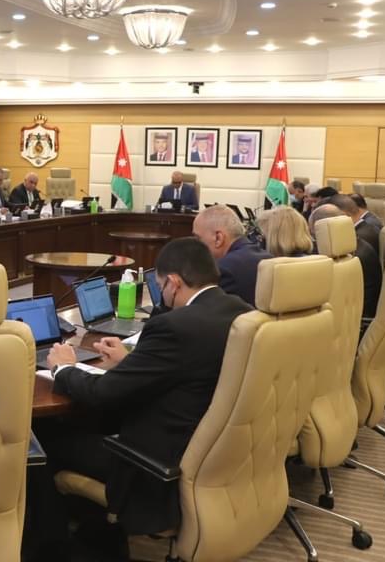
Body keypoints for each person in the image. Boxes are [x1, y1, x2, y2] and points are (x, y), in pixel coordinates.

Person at [28, 238, 252, 559]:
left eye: (160, 286)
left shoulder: (175, 326)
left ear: (173, 282)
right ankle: (92, 529)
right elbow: (186, 369)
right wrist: (131, 362)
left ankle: (56, 547)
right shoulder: (240, 311)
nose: (162, 294)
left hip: (150, 465)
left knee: (44, 435)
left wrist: (63, 367)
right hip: (208, 451)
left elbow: (102, 393)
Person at [192, 204, 272, 307]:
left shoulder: (223, 270)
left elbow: (202, 312)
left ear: (218, 238)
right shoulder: (269, 258)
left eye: (198, 238)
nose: (195, 245)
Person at [310, 204, 381, 318]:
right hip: (357, 317)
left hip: (358, 320)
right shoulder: (353, 247)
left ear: (324, 230)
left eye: (314, 235)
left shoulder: (350, 256)